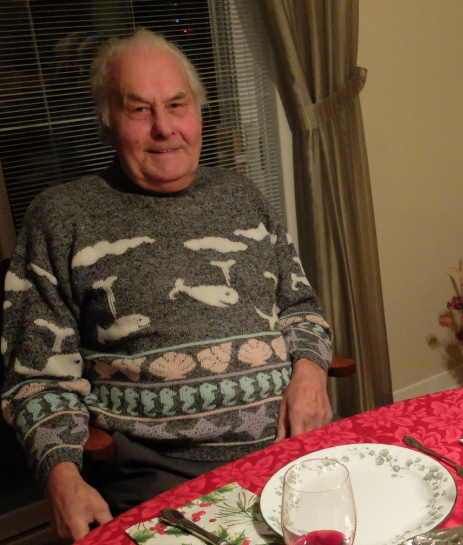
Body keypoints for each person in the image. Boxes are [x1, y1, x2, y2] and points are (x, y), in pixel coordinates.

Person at [0, 28, 333, 543]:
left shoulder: (242, 194)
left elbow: (300, 307)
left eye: (177, 105)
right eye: (139, 110)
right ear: (108, 125)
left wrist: (310, 373)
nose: (164, 128)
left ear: (198, 112)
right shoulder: (61, 217)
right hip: (166, 481)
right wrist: (61, 475)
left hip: (292, 447)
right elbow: (35, 378)